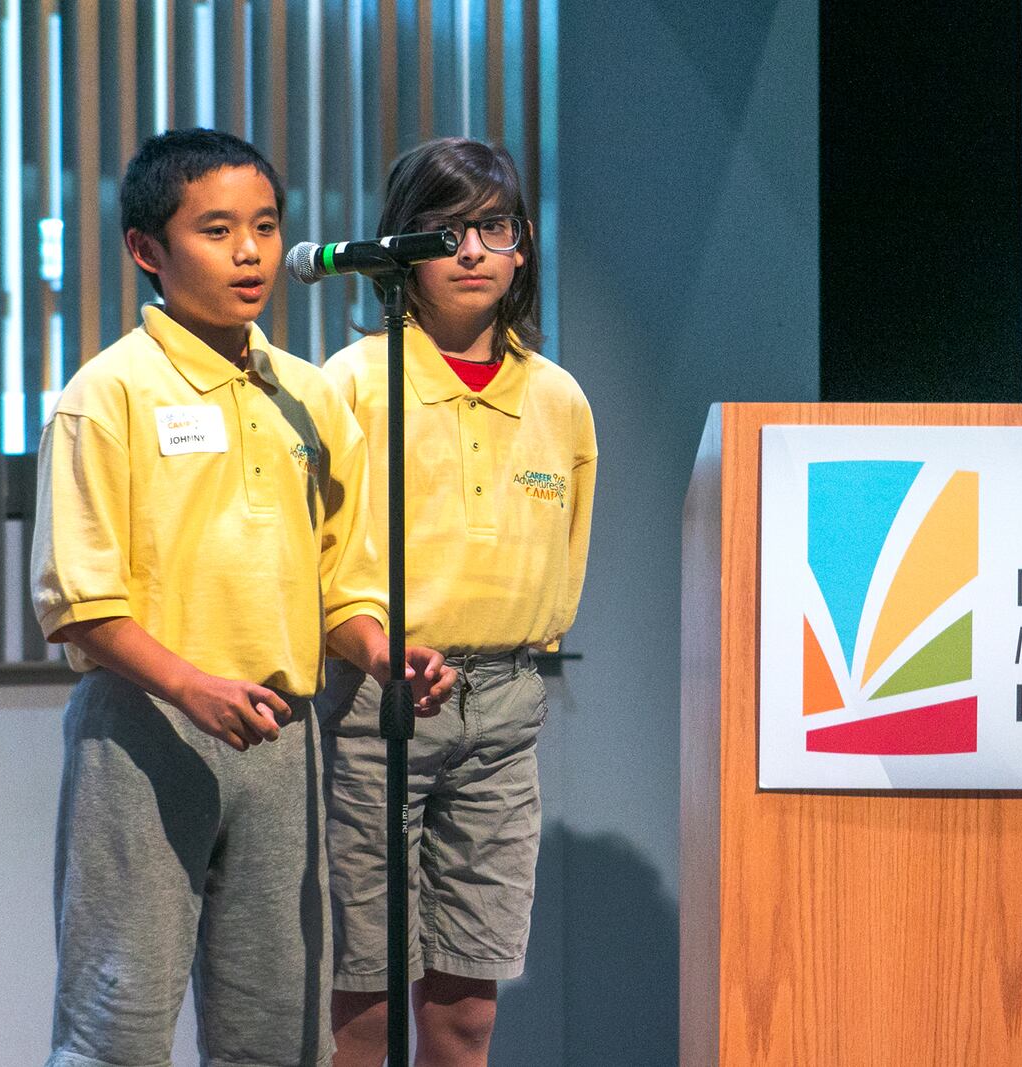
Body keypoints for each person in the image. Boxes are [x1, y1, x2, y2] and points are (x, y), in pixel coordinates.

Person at [31, 127, 455, 1067]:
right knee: (118, 1020)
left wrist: (384, 652)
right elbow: (78, 603)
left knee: (279, 1025)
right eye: (217, 230)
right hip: (145, 727)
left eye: (265, 225)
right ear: (149, 250)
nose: (252, 252)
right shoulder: (107, 395)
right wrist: (191, 687)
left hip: (281, 734)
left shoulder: (309, 395)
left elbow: (345, 581)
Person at [317, 137, 597, 1066]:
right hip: (374, 705)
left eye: (493, 227)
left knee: (468, 1002)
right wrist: (372, 646)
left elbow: (565, 550)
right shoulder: (353, 381)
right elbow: (319, 551)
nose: (472, 250)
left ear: (521, 247)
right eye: (445, 231)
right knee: (364, 996)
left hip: (506, 709)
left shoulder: (557, 396)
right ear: (403, 248)